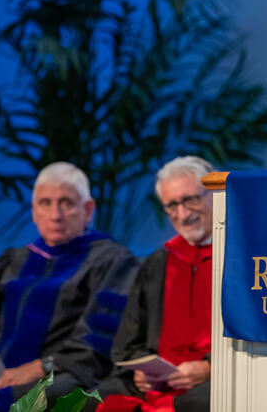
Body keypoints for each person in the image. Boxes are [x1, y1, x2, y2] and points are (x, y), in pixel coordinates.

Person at [0, 162, 138, 411]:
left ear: (88, 209)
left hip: (67, 373)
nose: (56, 215)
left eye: (66, 203)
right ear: (34, 211)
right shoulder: (13, 261)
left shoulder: (112, 261)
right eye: (45, 203)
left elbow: (100, 340)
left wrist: (43, 366)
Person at [90, 156, 215, 412]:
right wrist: (142, 371)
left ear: (214, 194)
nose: (183, 214)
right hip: (157, 383)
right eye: (172, 205)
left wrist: (209, 368)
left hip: (211, 379)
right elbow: (129, 339)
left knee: (195, 403)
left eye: (191, 200)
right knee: (91, 400)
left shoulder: (240, 258)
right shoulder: (159, 262)